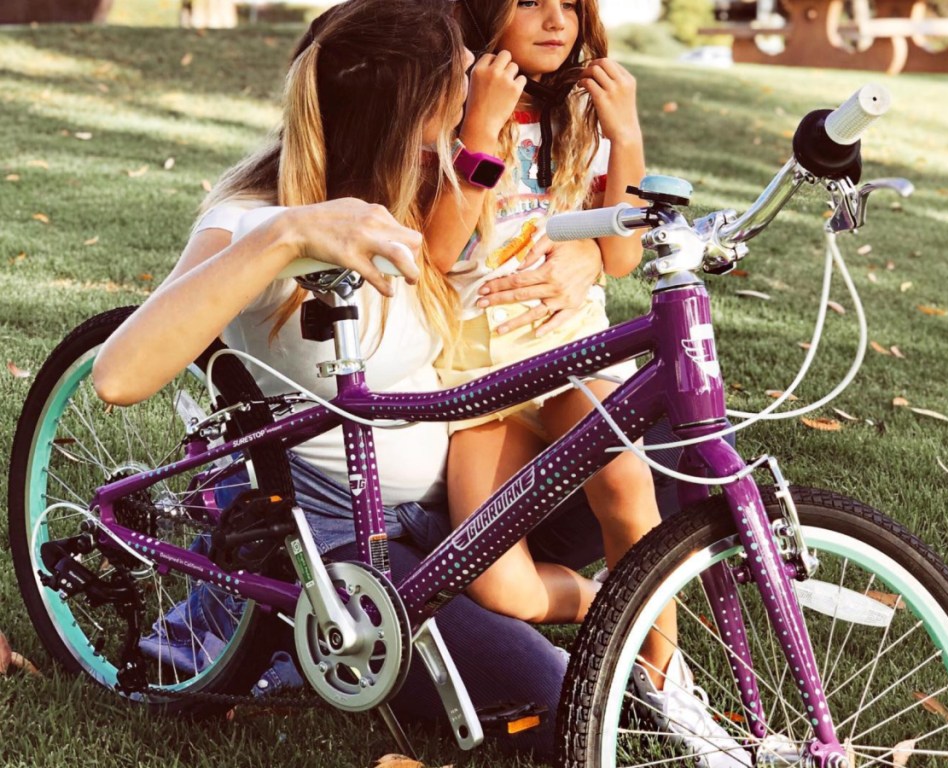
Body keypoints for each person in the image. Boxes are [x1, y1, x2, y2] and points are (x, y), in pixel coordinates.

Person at [91, 0, 622, 759]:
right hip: (346, 529)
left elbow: (535, 230)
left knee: (650, 471)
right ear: (411, 110)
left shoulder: (426, 178)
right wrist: (290, 233)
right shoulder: (247, 217)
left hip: (457, 493)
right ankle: (286, 624)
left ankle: (519, 595)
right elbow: (118, 374)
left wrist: (588, 257)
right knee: (557, 695)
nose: (477, 72)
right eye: (457, 72)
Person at [423, 2, 751, 765]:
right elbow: (436, 252)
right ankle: (625, 614)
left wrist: (626, 130)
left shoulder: (581, 107)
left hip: (571, 351)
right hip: (483, 374)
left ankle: (667, 686)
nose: (554, 18)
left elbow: (623, 255)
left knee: (627, 487)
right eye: (529, 3)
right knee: (498, 587)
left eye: (567, 3)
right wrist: (478, 131)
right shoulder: (451, 100)